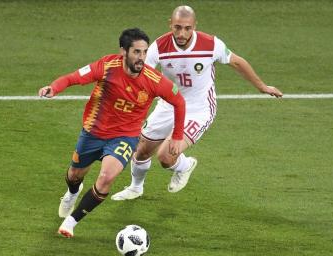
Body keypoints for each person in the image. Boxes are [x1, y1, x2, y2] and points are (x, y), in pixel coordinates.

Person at [111, 6, 283, 201]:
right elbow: (141, 74)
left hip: (198, 109)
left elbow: (237, 62)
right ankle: (135, 188)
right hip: (169, 105)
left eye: (187, 28)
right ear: (170, 24)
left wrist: (262, 87)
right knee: (141, 151)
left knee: (166, 157)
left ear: (194, 26)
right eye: (177, 27)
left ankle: (185, 166)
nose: (182, 33)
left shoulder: (210, 44)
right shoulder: (159, 47)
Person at [38, 28, 186, 238]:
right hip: (93, 133)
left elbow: (178, 101)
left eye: (144, 52)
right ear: (123, 51)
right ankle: (73, 192)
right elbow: (73, 78)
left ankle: (71, 222)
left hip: (125, 137)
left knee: (107, 177)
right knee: (74, 176)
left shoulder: (154, 79)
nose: (141, 58)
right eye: (136, 52)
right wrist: (54, 88)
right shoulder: (107, 66)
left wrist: (178, 136)